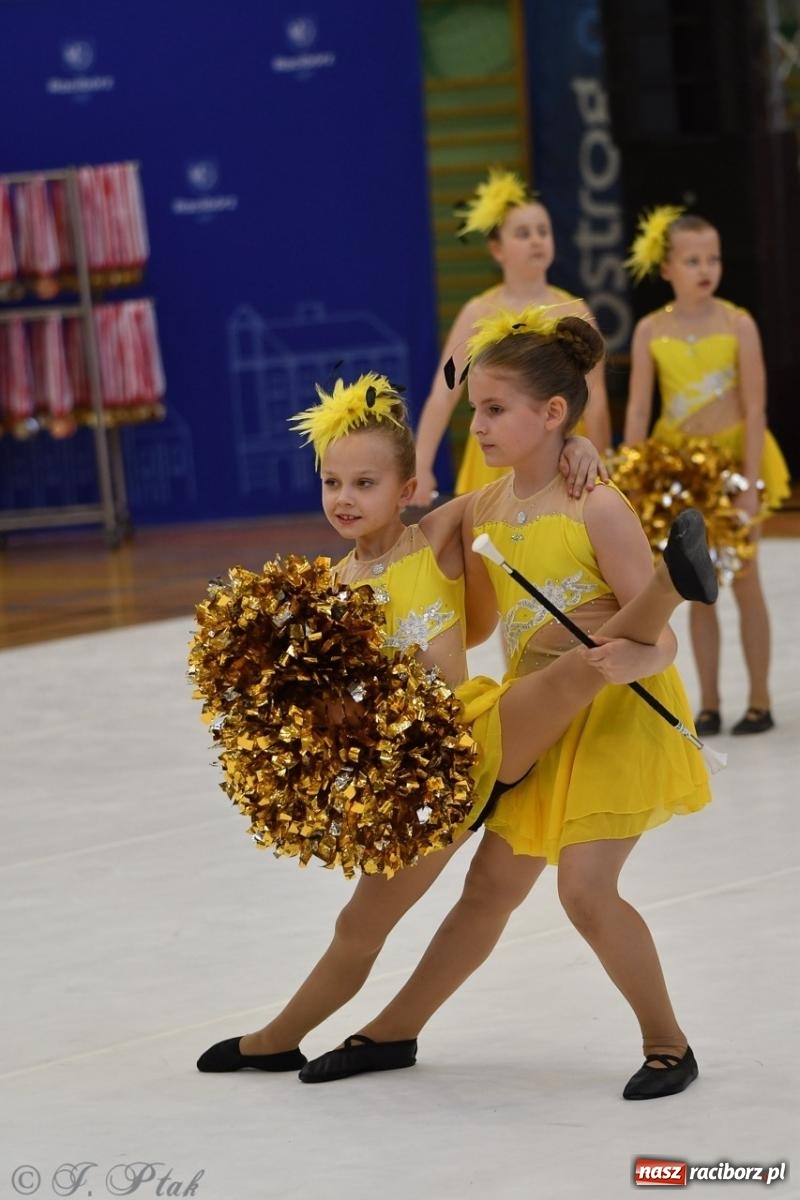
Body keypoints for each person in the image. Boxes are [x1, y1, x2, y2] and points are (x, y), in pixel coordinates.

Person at [196, 366, 715, 1096]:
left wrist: (581, 447)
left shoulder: (438, 535)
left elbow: (526, 470)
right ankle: (283, 1040)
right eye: (332, 483)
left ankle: (666, 585)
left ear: (408, 491)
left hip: (464, 738)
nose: (345, 499)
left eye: (365, 484)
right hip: (404, 780)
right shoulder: (328, 588)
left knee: (562, 679)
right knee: (366, 920)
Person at [623, 206, 791, 735]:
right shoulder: (651, 329)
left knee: (745, 580)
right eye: (692, 259)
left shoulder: (738, 323)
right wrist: (630, 474)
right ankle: (711, 702)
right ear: (666, 268)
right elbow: (638, 408)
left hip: (734, 464)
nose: (705, 268)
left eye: (713, 258)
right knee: (694, 585)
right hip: (677, 470)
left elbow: (756, 408)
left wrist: (748, 482)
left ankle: (760, 699)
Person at [413, 168, 612, 506]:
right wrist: (421, 463)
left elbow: (595, 399)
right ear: (497, 249)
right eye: (522, 233)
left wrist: (606, 462)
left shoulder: (576, 311)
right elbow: (444, 394)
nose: (536, 240)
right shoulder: (478, 311)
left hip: (559, 455)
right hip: (494, 462)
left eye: (543, 231)